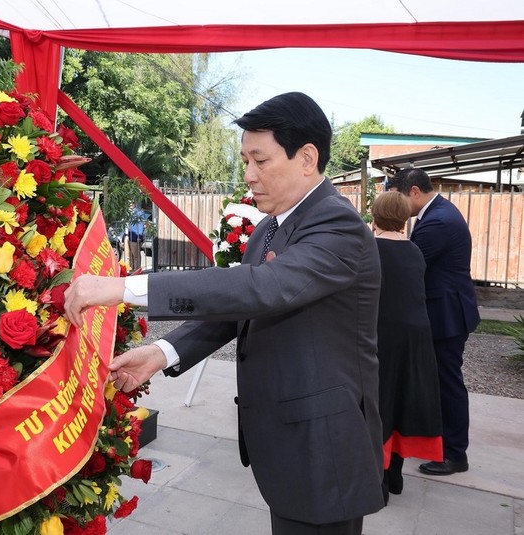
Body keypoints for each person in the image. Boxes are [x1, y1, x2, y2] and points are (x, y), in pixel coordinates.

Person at [65, 92, 385, 535]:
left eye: (260, 160)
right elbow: (238, 309)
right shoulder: (272, 228)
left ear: (307, 158)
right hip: (291, 443)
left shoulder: (338, 226)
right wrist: (162, 352)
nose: (248, 176)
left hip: (322, 448)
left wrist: (124, 288)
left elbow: (263, 288)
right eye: (244, 160)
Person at [386, 168, 481, 476]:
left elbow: (408, 265)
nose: (398, 204)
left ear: (414, 191)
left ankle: (455, 454)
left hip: (446, 315)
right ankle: (442, 446)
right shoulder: (439, 213)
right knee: (440, 381)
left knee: (447, 383)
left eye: (398, 196)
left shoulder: (438, 221)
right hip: (446, 311)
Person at [370, 191, 443, 502]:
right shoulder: (414, 250)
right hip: (416, 337)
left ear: (375, 215)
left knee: (380, 402)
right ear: (404, 217)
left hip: (383, 334)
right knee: (402, 399)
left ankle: (379, 483)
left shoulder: (371, 248)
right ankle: (395, 475)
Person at [127, 202, 147, 271]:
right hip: (130, 236)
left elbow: (140, 225)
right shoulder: (130, 212)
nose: (130, 205)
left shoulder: (139, 213)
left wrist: (139, 236)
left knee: (136, 255)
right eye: (129, 203)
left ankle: (137, 269)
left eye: (132, 203)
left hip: (135, 237)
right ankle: (132, 268)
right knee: (131, 254)